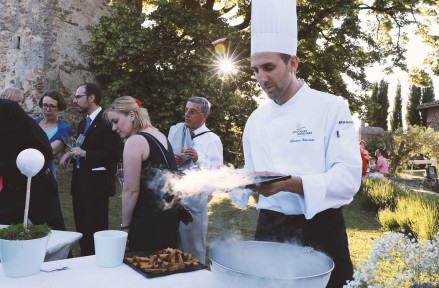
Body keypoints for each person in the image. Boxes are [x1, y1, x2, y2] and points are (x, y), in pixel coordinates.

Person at [229, 0, 362, 286]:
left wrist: (290, 183)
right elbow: (253, 173)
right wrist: (230, 181)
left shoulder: (331, 107)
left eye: (269, 67)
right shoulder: (256, 119)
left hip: (320, 228)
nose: (261, 79)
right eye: (254, 70)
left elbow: (348, 178)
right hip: (270, 227)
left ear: (293, 63)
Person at [105, 96, 183, 250]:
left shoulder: (134, 141)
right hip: (169, 216)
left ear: (131, 115)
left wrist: (125, 227)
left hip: (148, 219)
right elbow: (159, 171)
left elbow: (131, 191)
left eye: (115, 121)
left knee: (144, 268)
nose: (113, 128)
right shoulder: (159, 135)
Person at [60, 83, 122, 256]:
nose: (74, 100)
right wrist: (71, 155)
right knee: (82, 230)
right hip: (79, 185)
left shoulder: (107, 121)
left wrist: (86, 153)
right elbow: (81, 147)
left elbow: (114, 154)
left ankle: (98, 266)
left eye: (78, 96)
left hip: (97, 186)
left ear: (91, 98)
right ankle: (85, 264)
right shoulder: (83, 122)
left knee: (96, 230)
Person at [168, 96, 223, 263]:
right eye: (186, 110)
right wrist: (175, 160)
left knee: (193, 246)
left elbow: (218, 172)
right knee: (173, 245)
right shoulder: (177, 131)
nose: (187, 114)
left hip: (195, 199)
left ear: (204, 115)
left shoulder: (211, 139)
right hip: (174, 194)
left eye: (192, 112)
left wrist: (199, 159)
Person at [0, 98, 66, 230]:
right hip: (8, 189)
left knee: (52, 235)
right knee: (7, 238)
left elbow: (44, 150)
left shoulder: (8, 109)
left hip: (38, 186)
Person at [36, 91, 71, 177]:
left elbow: (51, 151)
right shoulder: (33, 123)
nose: (48, 109)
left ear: (59, 107)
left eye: (52, 106)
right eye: (45, 105)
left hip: (45, 172)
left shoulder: (63, 128)